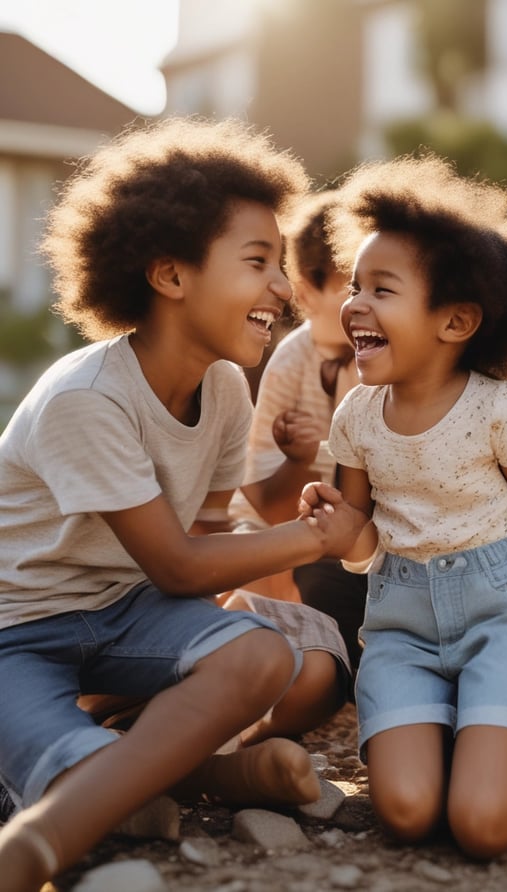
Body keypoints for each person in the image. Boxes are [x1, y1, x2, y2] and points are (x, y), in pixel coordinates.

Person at [0, 116, 366, 892]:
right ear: (170, 276)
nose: (282, 288)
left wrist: (254, 608)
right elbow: (176, 563)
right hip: (17, 637)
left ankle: (171, 769)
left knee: (267, 656)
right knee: (79, 773)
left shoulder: (227, 386)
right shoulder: (87, 398)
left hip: (125, 615)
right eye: (259, 262)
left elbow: (203, 544)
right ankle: (58, 835)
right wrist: (314, 539)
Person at [299, 153, 507, 860]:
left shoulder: (497, 409)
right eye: (355, 286)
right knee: (405, 812)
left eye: (383, 290)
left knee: (482, 825)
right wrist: (342, 531)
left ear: (456, 321)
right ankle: (479, 728)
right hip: (402, 623)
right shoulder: (357, 418)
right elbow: (365, 538)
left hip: (503, 612)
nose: (355, 305)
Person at [235, 190, 367, 672]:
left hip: (375, 541)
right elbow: (264, 506)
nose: (365, 306)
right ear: (306, 291)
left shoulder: (393, 360)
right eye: (352, 289)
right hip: (308, 538)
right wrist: (298, 459)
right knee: (260, 559)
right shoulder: (293, 362)